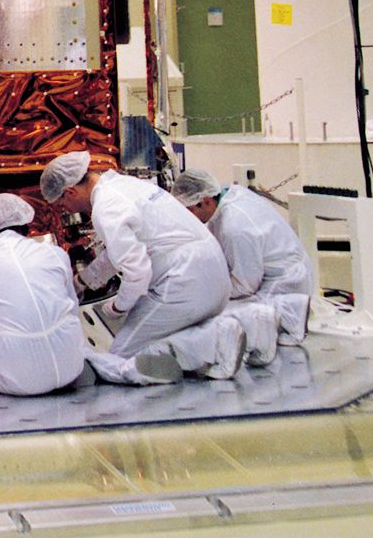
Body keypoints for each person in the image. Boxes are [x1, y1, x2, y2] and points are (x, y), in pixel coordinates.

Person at [39, 150, 242, 378]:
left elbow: (137, 272)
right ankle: (213, 336)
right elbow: (118, 253)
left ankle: (214, 340)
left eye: (62, 203)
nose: (66, 210)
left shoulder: (106, 207)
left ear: (70, 192)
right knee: (158, 339)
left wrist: (118, 307)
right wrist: (83, 282)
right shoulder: (126, 185)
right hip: (215, 275)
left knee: (120, 358)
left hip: (183, 284)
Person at [0, 193, 102, 396]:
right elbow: (72, 307)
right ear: (27, 222)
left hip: (22, 380)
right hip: (72, 367)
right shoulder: (56, 254)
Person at [170, 169, 312, 354]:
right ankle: (289, 308)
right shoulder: (231, 194)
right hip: (282, 271)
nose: (188, 218)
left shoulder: (234, 228)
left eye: (189, 212)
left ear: (205, 201)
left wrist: (204, 292)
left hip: (284, 283)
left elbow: (246, 286)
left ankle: (290, 310)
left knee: (216, 320)